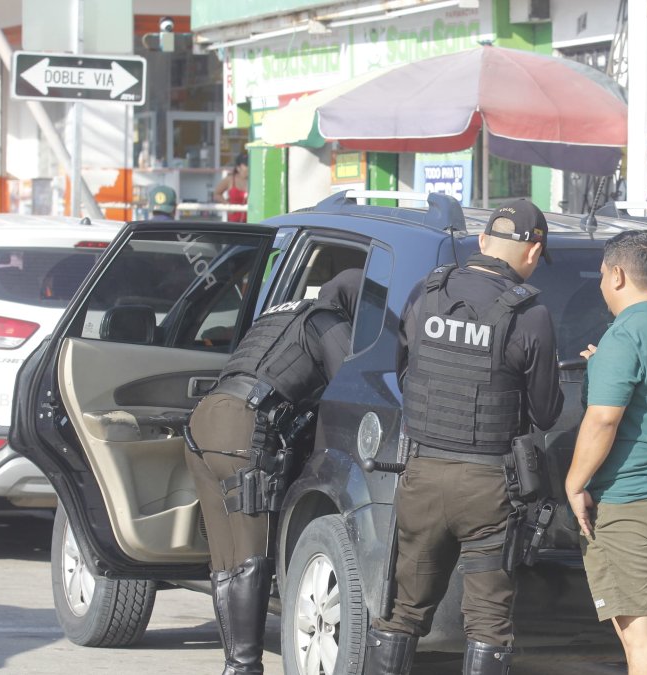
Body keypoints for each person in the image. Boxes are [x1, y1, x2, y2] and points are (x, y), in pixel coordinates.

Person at [365, 198, 564, 675]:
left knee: (403, 610)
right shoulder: (530, 314)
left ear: (481, 241)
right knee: (488, 623)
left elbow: (404, 372)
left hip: (423, 475)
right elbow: (545, 412)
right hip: (489, 487)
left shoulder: (426, 292)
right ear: (534, 253)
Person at [184, 268, 361, 675]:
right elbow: (350, 384)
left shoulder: (277, 314)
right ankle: (245, 667)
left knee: (226, 562)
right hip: (242, 430)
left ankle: (236, 665)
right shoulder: (327, 320)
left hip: (203, 424)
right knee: (251, 558)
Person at [566, 230, 647, 675]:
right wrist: (601, 366)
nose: (602, 286)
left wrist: (575, 482)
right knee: (638, 632)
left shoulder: (623, 336)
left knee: (642, 635)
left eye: (603, 276)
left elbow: (604, 419)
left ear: (618, 274)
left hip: (632, 501)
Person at [214, 151, 249, 223]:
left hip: (251, 221)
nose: (248, 167)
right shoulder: (230, 179)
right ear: (238, 167)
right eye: (246, 164)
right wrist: (227, 205)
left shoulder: (255, 181)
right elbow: (216, 194)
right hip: (234, 221)